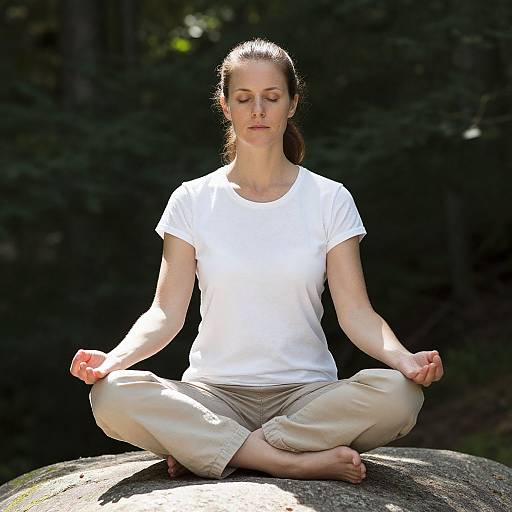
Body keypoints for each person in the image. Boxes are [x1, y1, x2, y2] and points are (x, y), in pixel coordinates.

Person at [69, 37, 444, 483]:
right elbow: (165, 313)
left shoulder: (329, 199)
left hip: (307, 398)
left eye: (272, 98)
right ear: (225, 106)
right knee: (111, 396)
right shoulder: (192, 199)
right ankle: (284, 460)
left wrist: (405, 360)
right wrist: (112, 359)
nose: (258, 111)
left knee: (400, 397)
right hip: (212, 395)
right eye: (244, 99)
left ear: (292, 104)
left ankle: (219, 449)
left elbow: (357, 313)